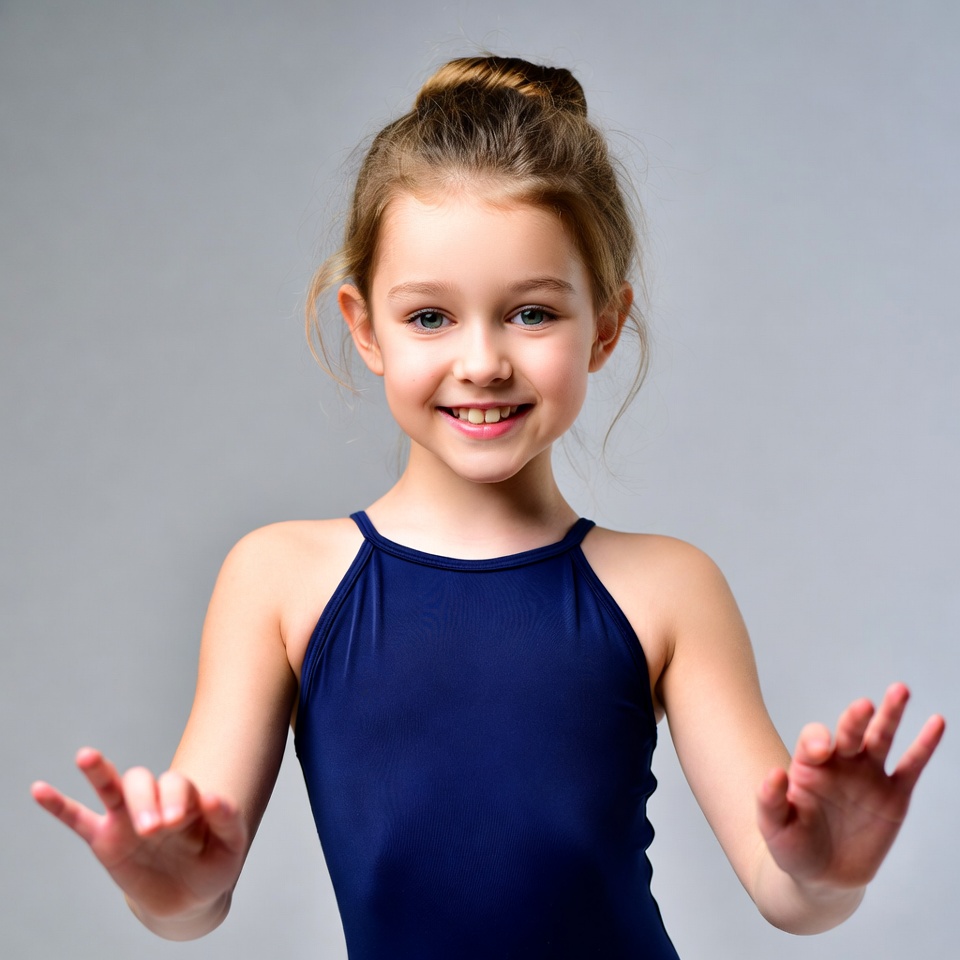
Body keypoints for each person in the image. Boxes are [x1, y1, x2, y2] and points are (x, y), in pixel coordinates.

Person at [31, 56, 945, 959]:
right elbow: (193, 896)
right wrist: (170, 894)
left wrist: (829, 873)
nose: (482, 363)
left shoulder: (669, 588)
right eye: (430, 317)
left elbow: (789, 896)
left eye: (532, 314)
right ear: (364, 327)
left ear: (607, 326)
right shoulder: (279, 580)